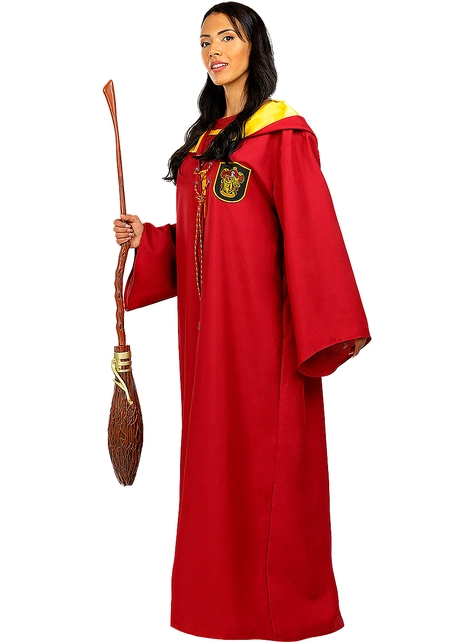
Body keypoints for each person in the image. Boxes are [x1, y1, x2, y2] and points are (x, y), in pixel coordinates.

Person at [112, 3, 370, 640]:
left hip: (262, 338)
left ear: (254, 46)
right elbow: (208, 242)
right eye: (204, 41)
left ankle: (283, 608)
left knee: (268, 468)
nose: (214, 51)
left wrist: (324, 325)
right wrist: (149, 239)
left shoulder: (281, 135)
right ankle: (218, 608)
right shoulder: (204, 144)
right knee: (214, 467)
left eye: (226, 37)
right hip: (206, 339)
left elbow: (311, 232)